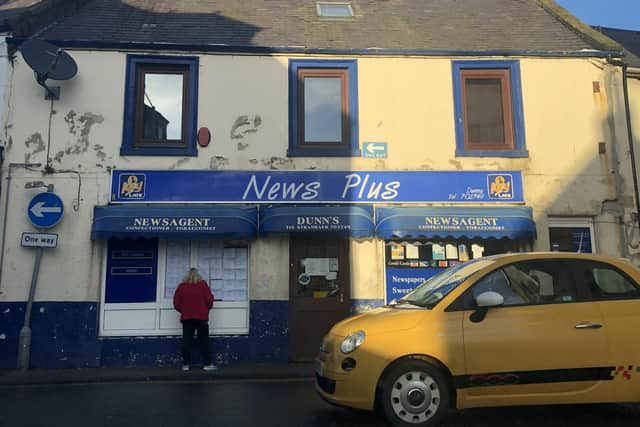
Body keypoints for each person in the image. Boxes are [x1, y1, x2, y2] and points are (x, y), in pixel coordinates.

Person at [173, 267, 216, 371]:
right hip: (201, 317)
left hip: (187, 318)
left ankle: (185, 365)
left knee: (187, 341)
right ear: (198, 275)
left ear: (187, 275)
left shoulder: (181, 286)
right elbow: (210, 301)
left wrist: (183, 311)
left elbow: (176, 303)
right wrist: (206, 309)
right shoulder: (203, 285)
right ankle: (207, 364)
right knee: (204, 341)